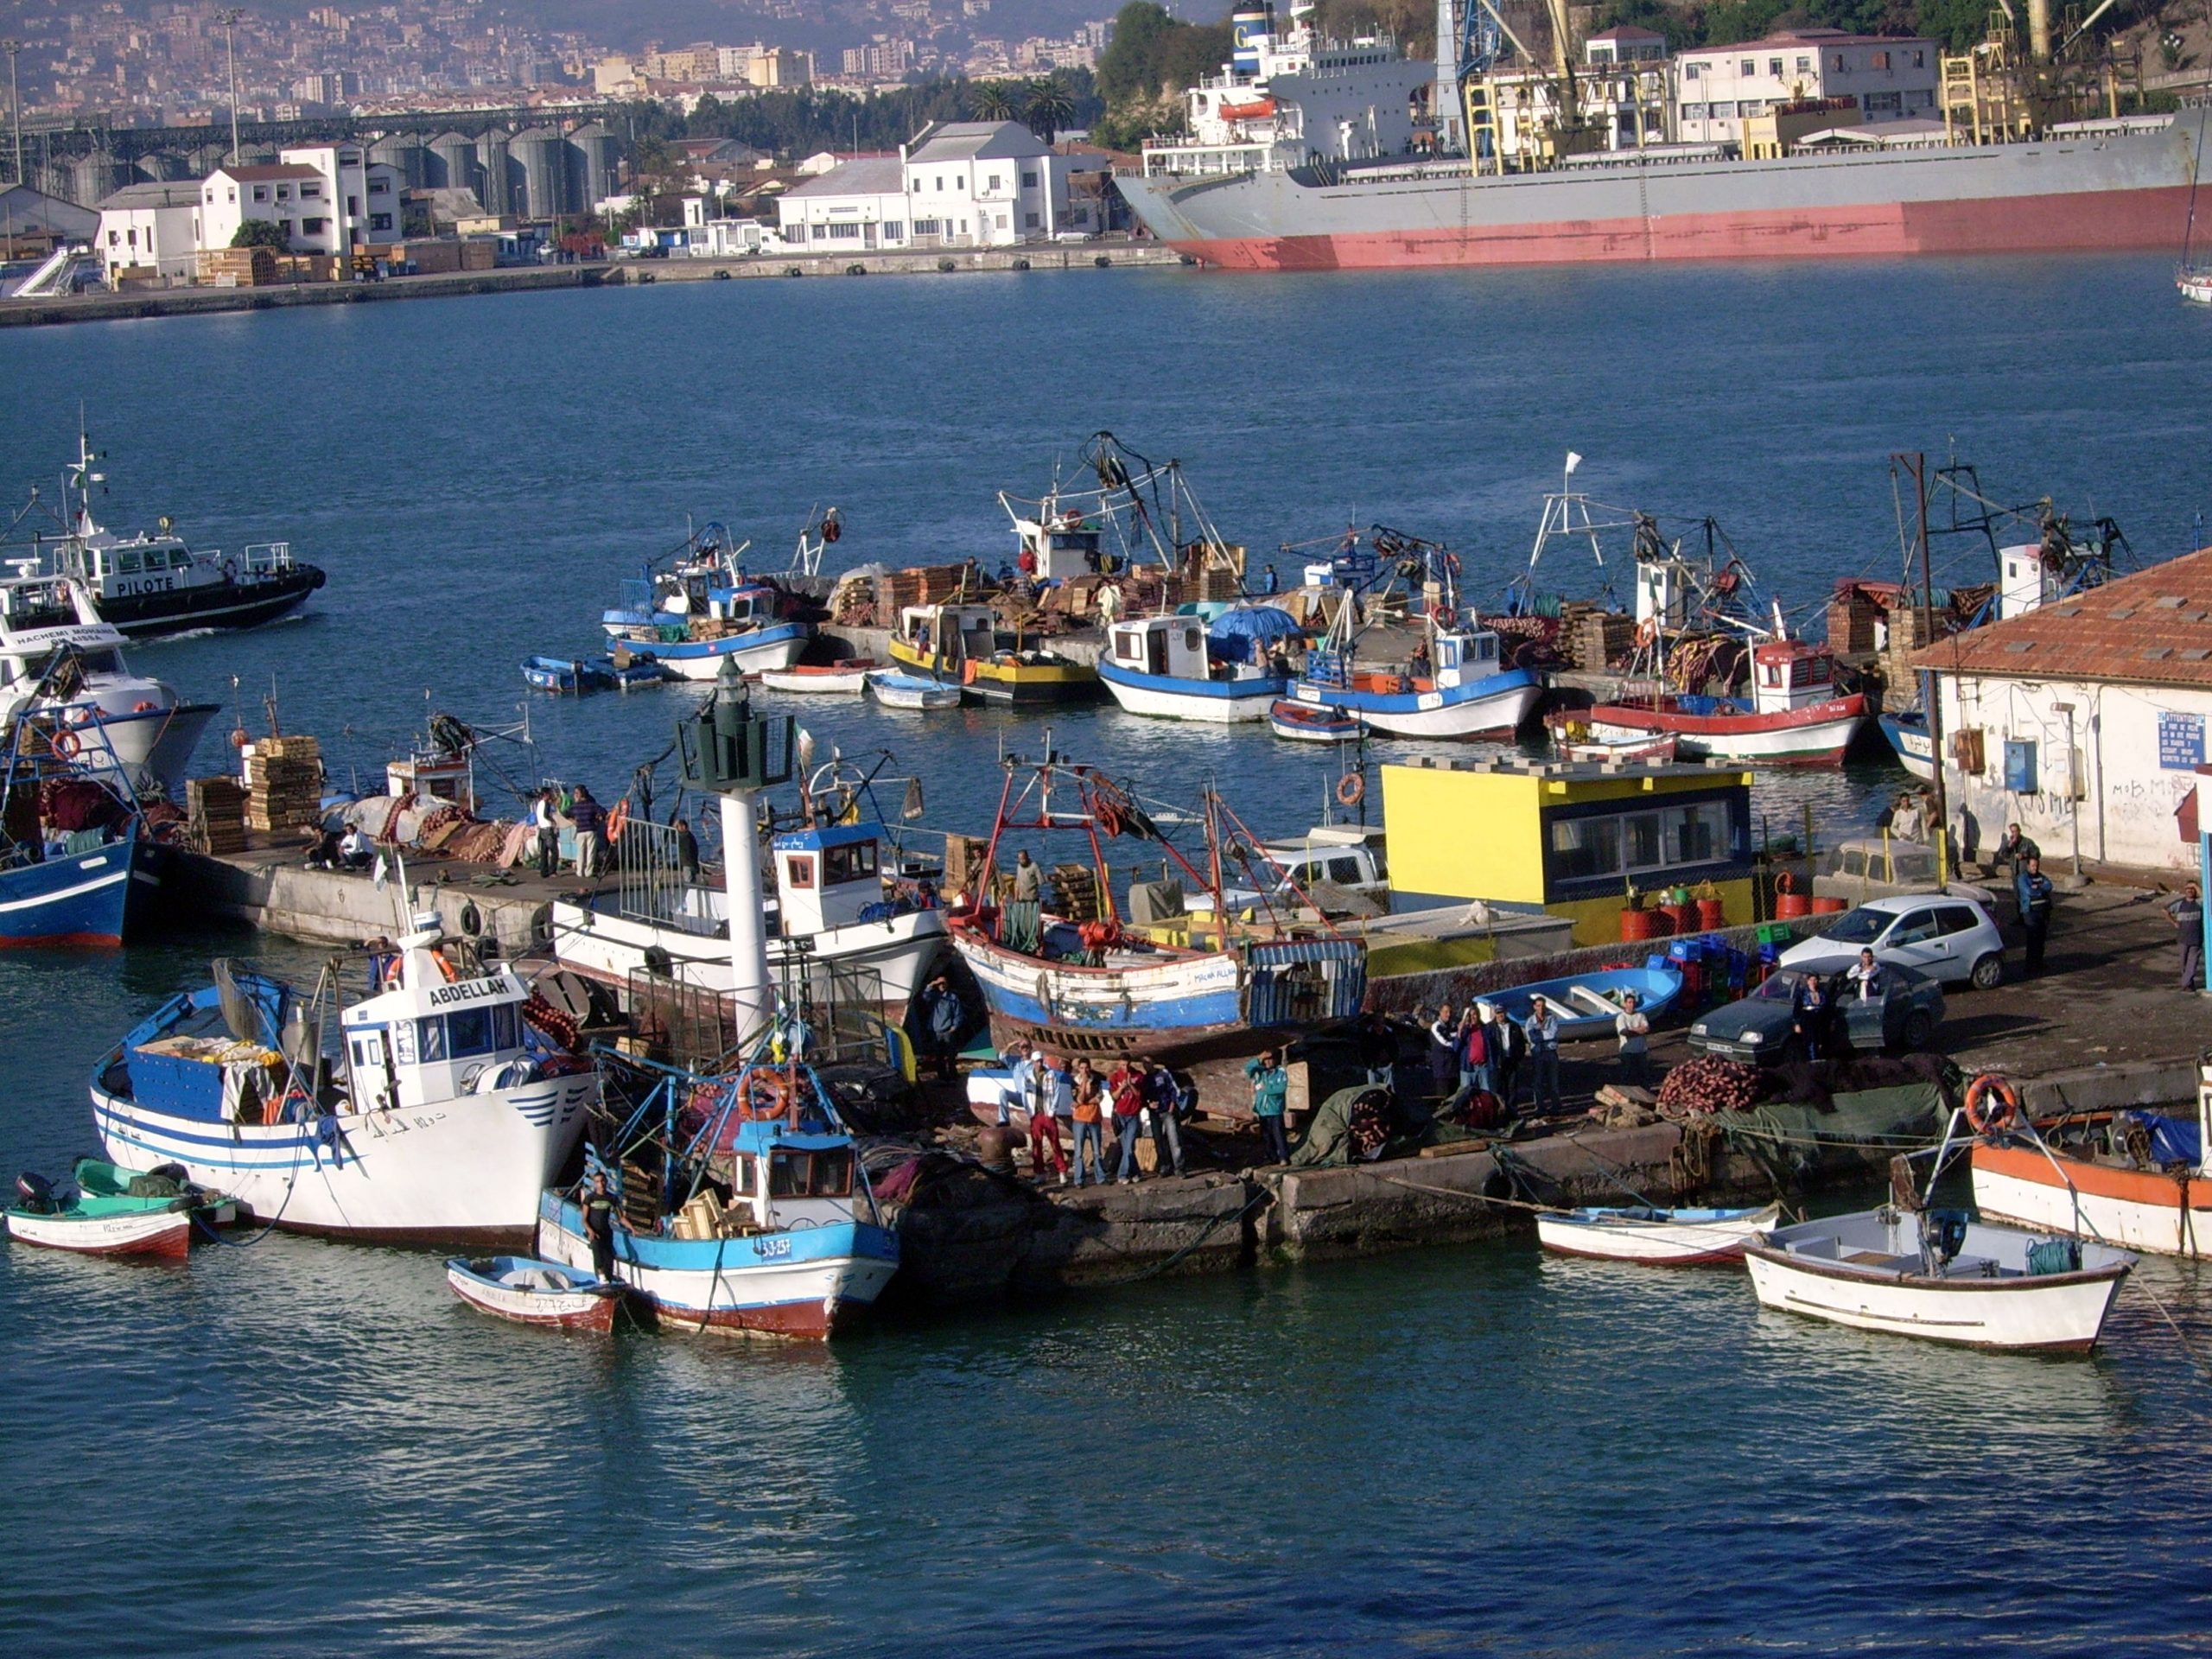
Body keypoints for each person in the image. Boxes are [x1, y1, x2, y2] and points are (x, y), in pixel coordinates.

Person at [1142, 1058, 1186, 1178]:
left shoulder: (1163, 1074)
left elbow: (1174, 1090)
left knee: (1174, 1140)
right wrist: (1148, 1104)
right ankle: (1164, 1166)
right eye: (1144, 1063)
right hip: (1154, 1113)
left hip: (1167, 1111)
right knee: (1158, 1141)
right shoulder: (1145, 1079)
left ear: (1153, 1063)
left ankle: (1179, 1168)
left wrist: (1172, 1104)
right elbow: (1142, 1096)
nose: (1146, 1065)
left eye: (1148, 1062)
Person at [1245, 1047, 1290, 1165]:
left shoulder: (1280, 1072)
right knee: (1266, 1136)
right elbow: (1248, 1068)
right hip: (1263, 1110)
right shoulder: (1259, 1072)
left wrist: (1266, 1089)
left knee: (1279, 1134)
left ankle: (1284, 1157)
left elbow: (1281, 1089)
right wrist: (1259, 1058)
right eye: (1266, 1060)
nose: (1268, 1062)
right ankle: (1271, 1157)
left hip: (1275, 1109)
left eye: (1271, 1059)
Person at [1033, 1055, 1071, 1185]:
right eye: (1036, 1062)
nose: (1039, 1064)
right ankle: (1039, 1173)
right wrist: (1029, 1110)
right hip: (1036, 1114)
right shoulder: (1029, 1075)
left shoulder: (1051, 1074)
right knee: (1036, 1144)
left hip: (1048, 1113)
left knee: (1054, 1142)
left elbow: (1057, 1092)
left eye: (1040, 1061)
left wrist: (1052, 1110)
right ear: (1033, 1062)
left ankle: (1062, 1171)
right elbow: (1025, 1093)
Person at [1070, 1058, 1108, 1186]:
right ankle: (1079, 1180)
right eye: (1082, 1068)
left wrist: (1083, 1102)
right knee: (1079, 1152)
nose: (1084, 1071)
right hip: (1080, 1119)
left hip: (1094, 1117)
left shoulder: (1096, 1080)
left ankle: (1100, 1177)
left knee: (1097, 1151)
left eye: (1086, 1068)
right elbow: (1079, 1099)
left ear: (1089, 1068)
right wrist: (1084, 1083)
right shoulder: (1074, 1082)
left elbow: (1099, 1098)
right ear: (1078, 1069)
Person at [1522, 996, 1563, 1116]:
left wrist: (1539, 1034)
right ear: (1535, 1007)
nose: (1541, 1008)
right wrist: (1543, 1034)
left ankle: (1556, 1105)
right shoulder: (1530, 1021)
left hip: (1551, 1052)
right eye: (1539, 1006)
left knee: (1553, 1080)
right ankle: (1540, 1107)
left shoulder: (1552, 1018)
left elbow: (1553, 1033)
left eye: (1543, 1006)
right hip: (1538, 1054)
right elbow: (1532, 1038)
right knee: (1538, 1081)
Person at [2017, 854, 2056, 976]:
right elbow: (2029, 891)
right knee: (2032, 938)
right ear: (2028, 866)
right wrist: (2040, 890)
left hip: (2044, 911)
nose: (2035, 868)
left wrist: (2038, 887)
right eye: (2033, 866)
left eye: (2037, 865)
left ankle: (2039, 962)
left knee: (2041, 938)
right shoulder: (2023, 878)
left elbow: (2049, 886)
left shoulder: (2041, 876)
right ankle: (2030, 964)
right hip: (2030, 911)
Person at [1109, 1058, 1147, 1184]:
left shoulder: (1138, 1075)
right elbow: (1114, 1096)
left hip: (1133, 1114)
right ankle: (1135, 1172)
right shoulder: (1115, 1077)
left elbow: (1139, 1095)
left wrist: (1131, 1084)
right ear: (1119, 1065)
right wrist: (1122, 1087)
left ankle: (1122, 1174)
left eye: (1127, 1064)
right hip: (1120, 1114)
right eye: (1122, 1065)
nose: (1125, 1067)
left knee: (1129, 1145)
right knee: (1127, 1147)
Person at [920, 975, 963, 1082]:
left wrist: (955, 1026)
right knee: (939, 1056)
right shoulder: (934, 997)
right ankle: (942, 1077)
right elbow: (925, 996)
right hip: (936, 1031)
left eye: (944, 983)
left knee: (951, 1056)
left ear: (947, 984)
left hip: (948, 1030)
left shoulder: (952, 997)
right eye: (940, 984)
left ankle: (953, 1077)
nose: (942, 986)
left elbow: (958, 1013)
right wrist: (931, 984)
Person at [1483, 1001, 1522, 1112]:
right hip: (1497, 1062)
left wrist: (1518, 1058)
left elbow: (1521, 1045)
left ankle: (1512, 1112)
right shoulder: (1489, 1028)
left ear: (1506, 1012)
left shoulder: (1514, 1026)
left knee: (1512, 1088)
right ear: (1495, 1014)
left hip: (1511, 1061)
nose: (1500, 1015)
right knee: (1498, 1090)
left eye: (1502, 1012)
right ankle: (1499, 1112)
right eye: (1498, 1013)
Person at [582, 1170, 618, 1283]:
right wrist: (590, 1231)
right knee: (597, 1250)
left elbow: (621, 1217)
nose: (600, 1184)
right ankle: (601, 1275)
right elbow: (584, 1219)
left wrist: (632, 1229)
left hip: (606, 1231)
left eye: (602, 1181)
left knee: (609, 1257)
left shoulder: (611, 1198)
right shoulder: (590, 1198)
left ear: (606, 1182)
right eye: (597, 1182)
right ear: (594, 1184)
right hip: (593, 1230)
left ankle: (608, 1279)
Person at [2169, 882, 2204, 991]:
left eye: (2192, 889)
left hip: (2196, 938)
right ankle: (2189, 983)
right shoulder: (2180, 903)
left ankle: (2186, 984)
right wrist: (2174, 922)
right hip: (2183, 938)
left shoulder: (2199, 903)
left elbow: (2206, 899)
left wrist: (2196, 886)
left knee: (2192, 963)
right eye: (2188, 888)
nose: (2190, 890)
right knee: (2183, 963)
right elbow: (2165, 910)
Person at [569, 785, 607, 879]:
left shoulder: (575, 806)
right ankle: (588, 872)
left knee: (580, 852)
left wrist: (573, 820)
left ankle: (580, 871)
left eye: (576, 793)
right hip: (590, 829)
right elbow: (603, 811)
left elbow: (565, 813)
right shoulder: (592, 805)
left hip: (580, 830)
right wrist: (598, 818)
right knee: (590, 852)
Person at [1792, 970, 1831, 1061]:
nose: (1813, 982)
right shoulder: (1802, 993)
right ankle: (1812, 1061)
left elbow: (1828, 1008)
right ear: (1808, 981)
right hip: (1808, 1021)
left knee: (1821, 1042)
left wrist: (1831, 1021)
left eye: (1815, 980)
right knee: (1810, 1042)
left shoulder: (1823, 993)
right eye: (1811, 980)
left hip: (1821, 1021)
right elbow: (1796, 1009)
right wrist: (1797, 1024)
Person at [1614, 990, 1649, 1087]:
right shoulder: (1621, 1017)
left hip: (1641, 1050)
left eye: (1633, 1002)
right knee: (1627, 1076)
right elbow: (1624, 1032)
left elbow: (1646, 1029)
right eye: (1629, 1002)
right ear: (1625, 1004)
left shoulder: (1641, 1015)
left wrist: (1632, 1030)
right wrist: (1639, 1030)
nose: (1632, 1005)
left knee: (1643, 1076)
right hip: (1627, 1051)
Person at [1427, 1002, 1460, 1099]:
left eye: (1450, 1012)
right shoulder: (1436, 1026)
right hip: (1442, 1071)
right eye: (1446, 1012)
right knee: (1442, 1100)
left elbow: (1459, 1038)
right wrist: (1455, 1044)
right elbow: (1443, 1044)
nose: (1448, 1014)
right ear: (1440, 1012)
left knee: (1454, 1100)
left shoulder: (1451, 1027)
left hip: (1453, 1071)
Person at [998, 1039, 1034, 1128]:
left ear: (1031, 1048)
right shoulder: (1015, 1063)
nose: (1025, 1049)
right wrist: (1011, 1044)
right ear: (1019, 1049)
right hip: (1020, 1096)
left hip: (1033, 1096)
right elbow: (1002, 1056)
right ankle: (1004, 1121)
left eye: (1027, 1046)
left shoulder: (1036, 1063)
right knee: (1003, 1093)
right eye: (1022, 1047)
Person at [533, 789, 560, 878]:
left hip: (542, 830)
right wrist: (553, 821)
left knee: (544, 852)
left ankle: (544, 871)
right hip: (548, 830)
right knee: (554, 852)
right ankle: (552, 871)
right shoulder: (546, 803)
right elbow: (546, 815)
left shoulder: (539, 804)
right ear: (546, 794)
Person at [674, 815, 700, 887]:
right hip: (692, 863)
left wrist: (673, 829)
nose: (677, 829)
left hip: (687, 863)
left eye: (678, 827)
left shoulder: (684, 837)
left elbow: (673, 839)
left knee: (689, 883)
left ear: (683, 827)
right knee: (693, 882)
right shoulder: (690, 835)